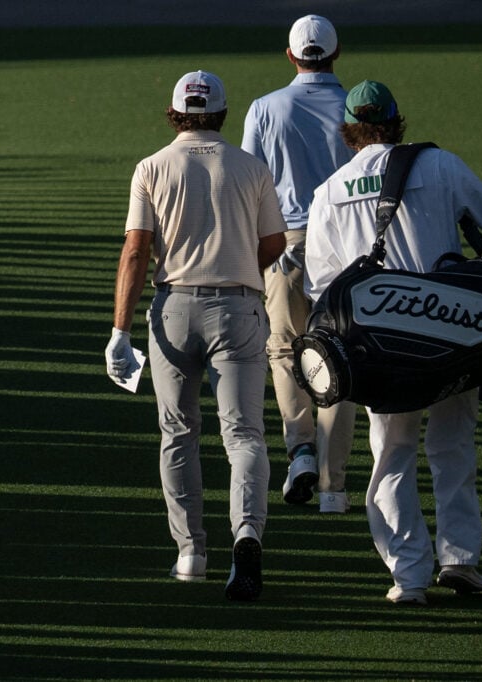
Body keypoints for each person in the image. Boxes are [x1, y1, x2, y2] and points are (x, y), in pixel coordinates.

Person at [305, 80, 482, 604]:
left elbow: (321, 290)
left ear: (349, 131)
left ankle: (408, 573)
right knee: (453, 446)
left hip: (380, 350)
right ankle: (460, 559)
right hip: (454, 332)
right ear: (395, 121)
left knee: (392, 455)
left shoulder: (329, 192)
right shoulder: (439, 165)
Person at [105, 70, 286, 600]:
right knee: (244, 435)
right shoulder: (251, 167)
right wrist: (238, 268)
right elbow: (273, 241)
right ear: (223, 113)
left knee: (178, 433)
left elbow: (137, 252)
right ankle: (247, 535)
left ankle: (190, 552)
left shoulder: (151, 168)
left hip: (173, 311)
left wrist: (119, 330)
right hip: (238, 308)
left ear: (175, 112)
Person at [241, 14, 358, 514]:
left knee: (285, 348)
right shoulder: (359, 106)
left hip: (287, 241)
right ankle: (333, 486)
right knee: (342, 355)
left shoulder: (265, 108)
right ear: (336, 53)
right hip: (351, 247)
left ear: (290, 56)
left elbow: (249, 186)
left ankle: (301, 448)